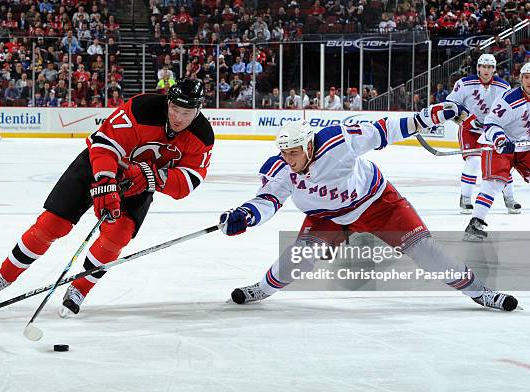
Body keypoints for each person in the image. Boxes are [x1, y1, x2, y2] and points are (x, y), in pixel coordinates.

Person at [219, 103, 518, 312]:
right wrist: (245, 216)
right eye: (284, 153)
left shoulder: (338, 142)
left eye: (294, 152)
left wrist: (428, 117)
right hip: (329, 217)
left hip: (378, 204)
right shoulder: (281, 168)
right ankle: (262, 288)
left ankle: (481, 292)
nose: (289, 159)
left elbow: (384, 130)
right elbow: (268, 201)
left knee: (427, 253)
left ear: (309, 146)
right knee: (299, 258)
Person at [0, 79, 215, 316]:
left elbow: (188, 181)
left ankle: (80, 288)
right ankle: (5, 275)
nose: (178, 118)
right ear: (168, 102)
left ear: (198, 110)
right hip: (98, 167)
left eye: (186, 112)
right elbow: (104, 144)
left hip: (139, 183)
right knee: (52, 224)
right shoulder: (142, 108)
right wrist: (104, 181)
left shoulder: (202, 136)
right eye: (174, 108)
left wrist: (150, 177)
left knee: (117, 235)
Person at [445, 54, 520, 214]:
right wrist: (466, 119)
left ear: (494, 69)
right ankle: (465, 198)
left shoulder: (504, 86)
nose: (486, 70)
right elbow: (449, 106)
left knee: (502, 163)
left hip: (492, 131)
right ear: (478, 67)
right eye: (483, 66)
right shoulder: (464, 84)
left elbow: (510, 110)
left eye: (490, 67)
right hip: (469, 130)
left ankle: (510, 198)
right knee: (473, 162)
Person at [464, 62, 530, 241]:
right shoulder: (509, 99)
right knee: (493, 183)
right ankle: (474, 224)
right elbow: (491, 123)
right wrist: (500, 139)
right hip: (499, 145)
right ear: (520, 79)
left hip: (524, 147)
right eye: (526, 77)